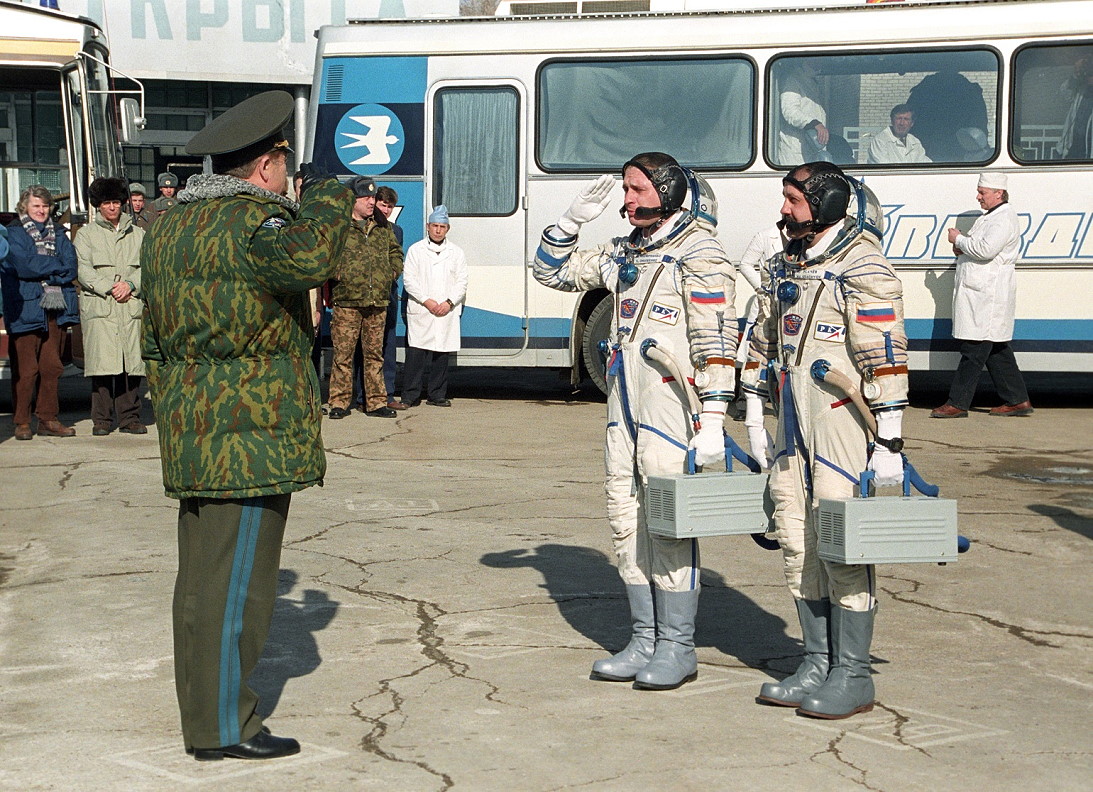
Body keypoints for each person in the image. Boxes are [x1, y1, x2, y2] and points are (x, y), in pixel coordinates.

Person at [140, 90, 352, 761]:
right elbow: (312, 257)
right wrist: (326, 195)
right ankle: (225, 727)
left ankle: (207, 717)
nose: (288, 178)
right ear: (265, 166)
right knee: (237, 591)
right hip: (248, 437)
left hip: (197, 430)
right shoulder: (250, 225)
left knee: (201, 586)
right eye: (286, 167)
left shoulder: (171, 225)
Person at [534, 153, 737, 691]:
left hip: (674, 409)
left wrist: (715, 419)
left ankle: (678, 645)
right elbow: (550, 270)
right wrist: (571, 222)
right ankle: (644, 638)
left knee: (669, 523)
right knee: (625, 517)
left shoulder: (699, 252)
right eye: (626, 190)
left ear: (668, 192)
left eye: (638, 190)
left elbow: (717, 343)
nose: (628, 200)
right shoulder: (623, 253)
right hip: (624, 405)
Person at [742, 161, 907, 719]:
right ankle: (816, 659)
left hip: (841, 420)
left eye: (793, 199)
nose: (784, 210)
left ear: (828, 204)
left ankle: (853, 672)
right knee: (795, 535)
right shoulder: (784, 265)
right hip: (791, 422)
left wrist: (890, 442)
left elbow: (885, 357)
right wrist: (749, 415)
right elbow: (763, 337)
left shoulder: (863, 267)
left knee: (840, 540)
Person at [931, 172, 1032, 418]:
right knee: (996, 350)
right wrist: (962, 247)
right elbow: (978, 247)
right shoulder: (992, 217)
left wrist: (959, 239)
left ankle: (957, 403)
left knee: (974, 350)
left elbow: (985, 250)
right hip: (982, 293)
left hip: (988, 295)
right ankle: (1017, 400)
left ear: (998, 193)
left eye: (982, 192)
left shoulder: (1003, 219)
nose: (978, 197)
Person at [1, 185, 80, 440]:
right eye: (36, 206)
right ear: (25, 207)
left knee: (52, 366)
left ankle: (47, 418)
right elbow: (24, 266)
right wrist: (54, 266)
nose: (41, 210)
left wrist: (46, 267)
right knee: (26, 370)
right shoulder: (14, 232)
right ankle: (22, 421)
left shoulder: (59, 232)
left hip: (55, 308)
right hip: (25, 306)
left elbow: (71, 265)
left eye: (45, 206)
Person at [326, 176, 404, 419]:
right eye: (367, 198)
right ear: (353, 199)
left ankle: (377, 402)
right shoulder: (338, 226)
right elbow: (326, 255)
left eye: (373, 197)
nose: (372, 202)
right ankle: (339, 403)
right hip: (348, 301)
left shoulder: (383, 226)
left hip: (376, 302)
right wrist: (339, 274)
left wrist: (392, 272)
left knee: (374, 355)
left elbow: (395, 251)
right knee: (343, 355)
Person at [75, 177, 147, 436]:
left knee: (131, 366)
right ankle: (102, 420)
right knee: (103, 367)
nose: (112, 207)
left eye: (116, 202)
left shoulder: (138, 234)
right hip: (102, 306)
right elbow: (83, 270)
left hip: (129, 305)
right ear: (98, 205)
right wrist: (109, 287)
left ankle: (130, 418)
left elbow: (147, 267)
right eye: (107, 203)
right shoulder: (86, 235)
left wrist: (130, 284)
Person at [402, 205, 468, 408]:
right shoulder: (415, 250)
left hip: (445, 310)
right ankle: (410, 395)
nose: (438, 230)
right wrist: (427, 301)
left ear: (448, 229)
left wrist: (448, 303)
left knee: (441, 354)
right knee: (416, 355)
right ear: (428, 226)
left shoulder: (456, 253)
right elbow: (409, 280)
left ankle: (437, 394)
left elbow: (462, 282)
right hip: (423, 309)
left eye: (442, 226)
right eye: (435, 226)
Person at [906, 68, 988, 163]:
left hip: (961, 155)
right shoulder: (969, 91)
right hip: (925, 154)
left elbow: (978, 132)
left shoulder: (923, 90)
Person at [376, 185, 408, 411]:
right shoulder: (360, 227)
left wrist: (392, 274)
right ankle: (361, 395)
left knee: (388, 345)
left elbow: (397, 259)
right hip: (364, 296)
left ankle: (387, 394)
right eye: (382, 205)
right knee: (364, 348)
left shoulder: (396, 231)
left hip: (388, 295)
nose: (386, 210)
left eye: (389, 206)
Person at [777, 60, 830, 166]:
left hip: (811, 150)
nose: (818, 64)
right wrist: (814, 123)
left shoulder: (812, 81)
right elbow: (790, 111)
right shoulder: (792, 80)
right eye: (814, 60)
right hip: (796, 152)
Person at [867, 104, 931, 164]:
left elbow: (925, 164)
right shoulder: (880, 141)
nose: (902, 123)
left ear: (912, 123)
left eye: (906, 119)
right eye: (899, 118)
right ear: (892, 121)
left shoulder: (915, 142)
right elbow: (885, 169)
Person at [1056, 56, 1092, 160]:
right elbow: (1064, 94)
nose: (1088, 75)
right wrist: (1076, 73)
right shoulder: (1080, 90)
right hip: (1074, 151)